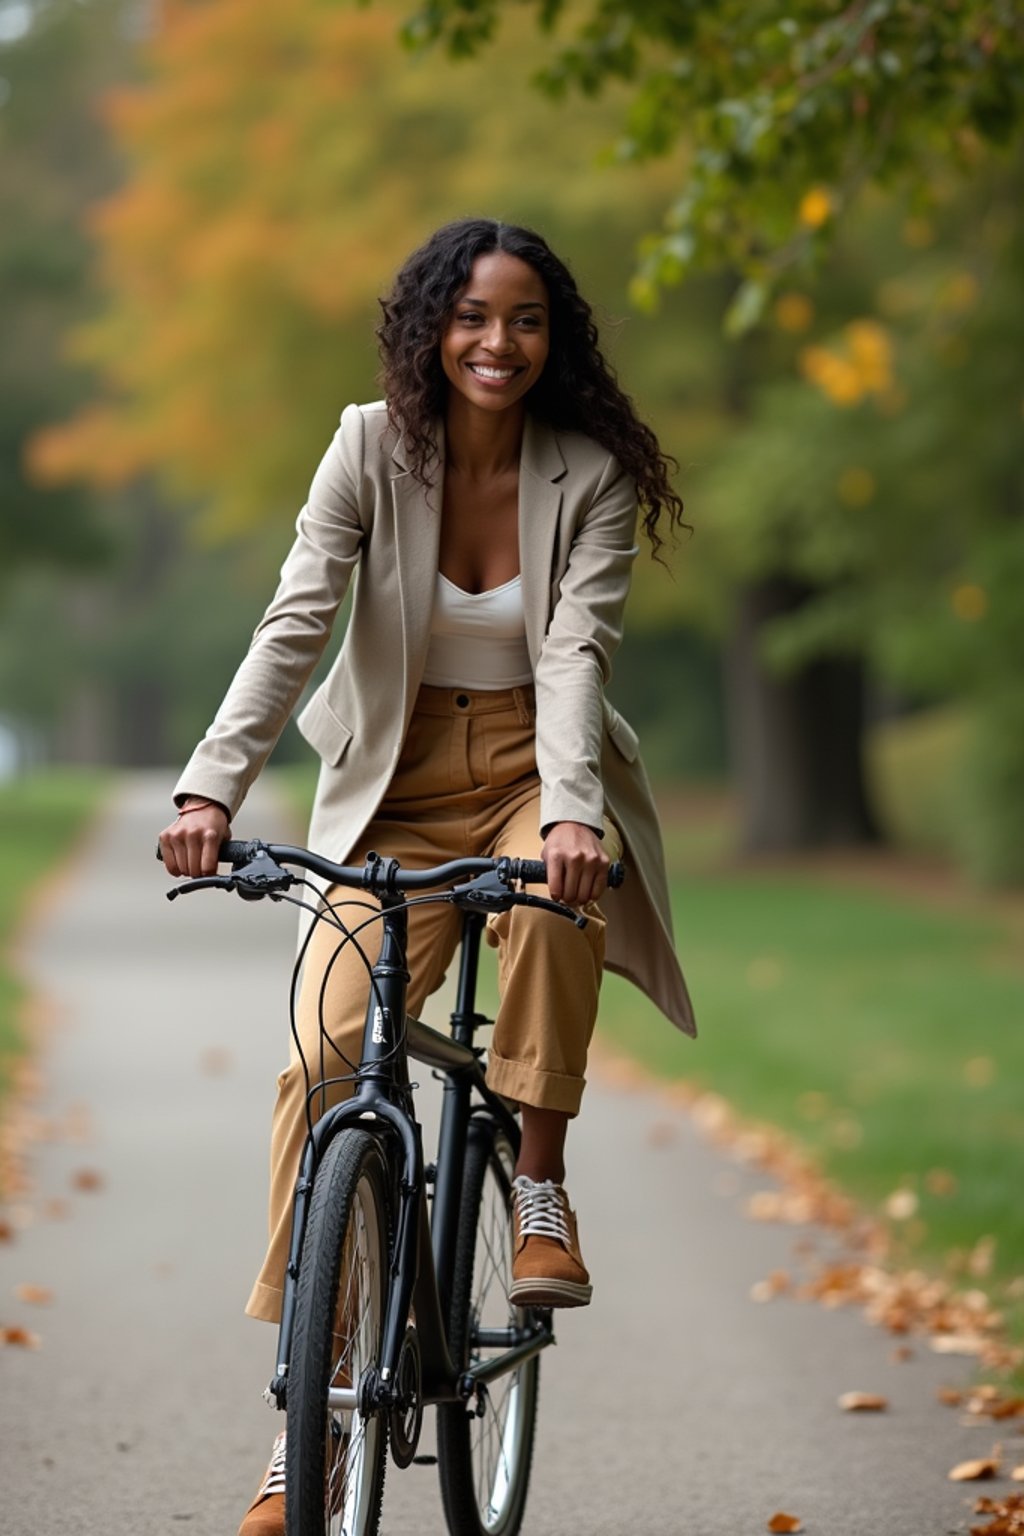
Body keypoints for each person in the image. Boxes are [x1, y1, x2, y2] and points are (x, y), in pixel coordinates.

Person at [158, 216, 696, 1535]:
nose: (495, 342)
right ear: (429, 331)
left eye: (521, 318)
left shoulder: (593, 476)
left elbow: (576, 656)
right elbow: (295, 622)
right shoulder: (365, 447)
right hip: (391, 789)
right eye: (469, 316)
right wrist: (211, 783)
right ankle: (312, 1420)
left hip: (531, 767)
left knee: (563, 897)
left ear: (551, 337)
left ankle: (547, 1186)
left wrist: (571, 815)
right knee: (323, 1054)